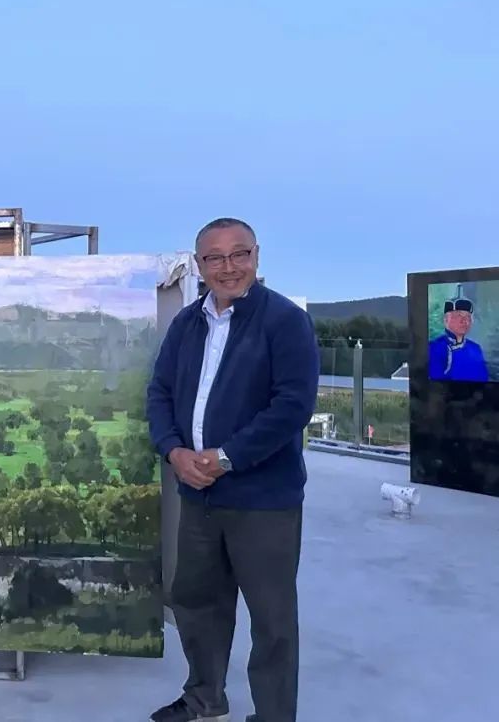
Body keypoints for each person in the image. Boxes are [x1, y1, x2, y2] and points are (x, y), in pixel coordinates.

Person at [146, 218, 319, 722]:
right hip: (198, 494)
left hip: (264, 501)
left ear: (256, 256)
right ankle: (205, 697)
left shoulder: (285, 321)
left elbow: (292, 406)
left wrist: (226, 457)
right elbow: (159, 393)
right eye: (215, 258)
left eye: (239, 254)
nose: (228, 267)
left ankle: (274, 716)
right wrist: (174, 452)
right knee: (196, 602)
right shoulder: (187, 324)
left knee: (272, 620)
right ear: (199, 265)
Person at [428, 297, 488, 382]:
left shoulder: (475, 349)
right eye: (458, 315)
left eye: (468, 317)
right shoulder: (434, 348)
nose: (464, 321)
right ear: (446, 320)